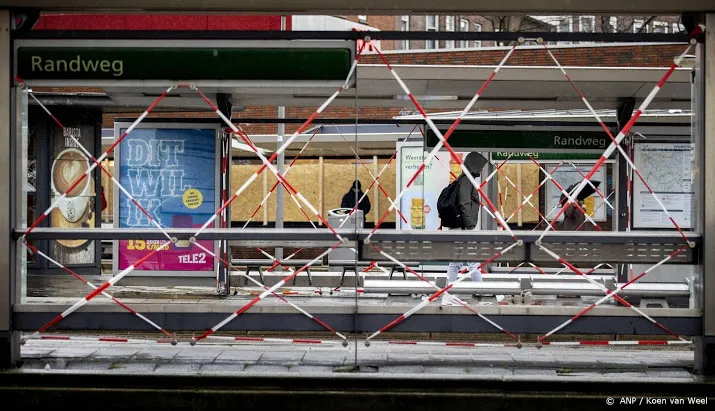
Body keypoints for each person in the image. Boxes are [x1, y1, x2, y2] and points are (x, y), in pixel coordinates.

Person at [441, 152, 488, 306]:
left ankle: (448, 295)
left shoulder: (462, 179)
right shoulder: (466, 181)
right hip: (463, 227)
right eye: (479, 168)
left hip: (458, 227)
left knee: (455, 263)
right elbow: (464, 204)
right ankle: (480, 295)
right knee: (473, 261)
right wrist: (469, 226)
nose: (480, 171)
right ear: (473, 166)